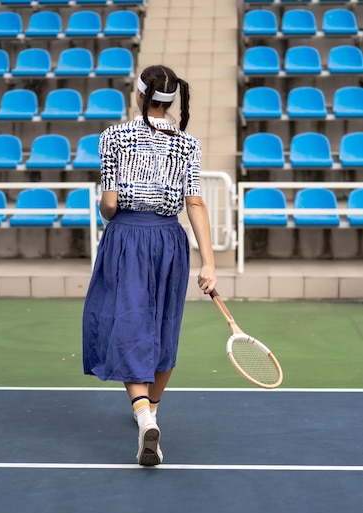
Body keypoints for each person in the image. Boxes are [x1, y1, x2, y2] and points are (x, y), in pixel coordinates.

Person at [82, 64, 217, 466]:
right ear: (172, 100)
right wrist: (208, 263)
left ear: (140, 94)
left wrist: (111, 208)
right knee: (161, 327)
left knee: (125, 323)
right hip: (170, 241)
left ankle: (143, 417)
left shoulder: (114, 136)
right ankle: (151, 410)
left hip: (126, 236)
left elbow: (109, 204)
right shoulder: (187, 143)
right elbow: (195, 203)